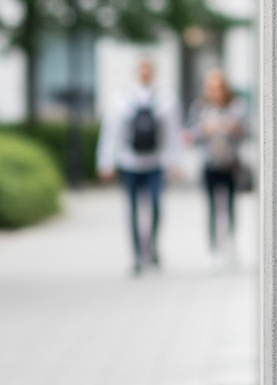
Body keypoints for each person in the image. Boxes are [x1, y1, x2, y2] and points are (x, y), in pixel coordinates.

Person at [96, 59, 181, 275]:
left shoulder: (166, 99)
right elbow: (111, 131)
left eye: (148, 69)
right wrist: (106, 161)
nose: (145, 73)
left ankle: (151, 246)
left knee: (155, 206)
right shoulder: (121, 98)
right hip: (129, 163)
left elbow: (172, 133)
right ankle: (136, 256)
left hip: (155, 162)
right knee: (132, 210)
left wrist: (174, 161)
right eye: (142, 69)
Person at [187, 68, 248, 267]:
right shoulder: (200, 108)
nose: (216, 91)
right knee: (212, 209)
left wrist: (233, 128)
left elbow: (248, 131)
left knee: (230, 207)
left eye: (219, 87)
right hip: (210, 164)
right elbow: (190, 136)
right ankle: (213, 250)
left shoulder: (236, 107)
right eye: (212, 88)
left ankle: (230, 245)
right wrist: (204, 129)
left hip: (230, 164)